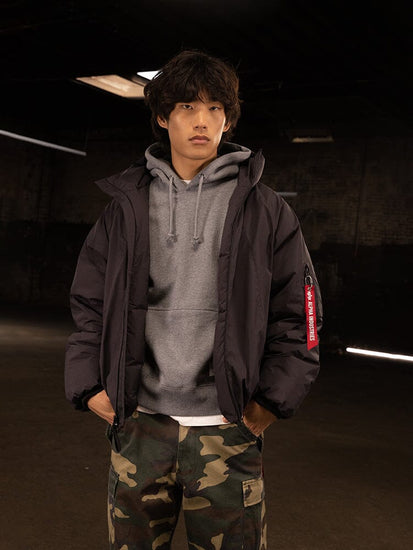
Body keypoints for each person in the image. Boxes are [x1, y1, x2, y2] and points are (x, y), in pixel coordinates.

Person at [64, 49, 322, 550]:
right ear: (163, 117)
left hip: (226, 429)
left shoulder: (266, 210)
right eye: (187, 106)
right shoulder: (126, 208)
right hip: (140, 427)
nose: (202, 121)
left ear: (228, 119)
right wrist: (88, 384)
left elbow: (302, 313)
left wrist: (271, 401)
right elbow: (88, 302)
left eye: (214, 108)